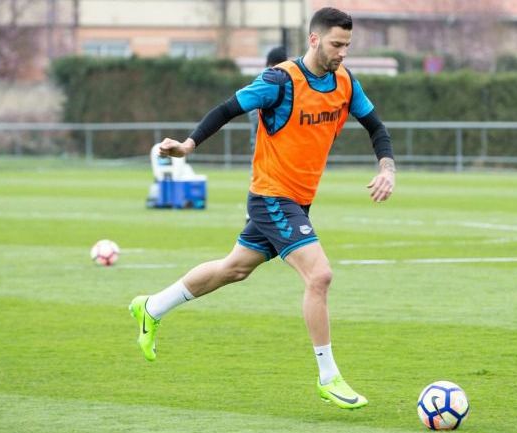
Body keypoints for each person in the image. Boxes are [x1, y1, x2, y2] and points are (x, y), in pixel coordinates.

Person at [129, 6, 395, 410]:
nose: (343, 52)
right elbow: (226, 109)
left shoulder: (345, 82)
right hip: (272, 196)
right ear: (314, 39)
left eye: (347, 45)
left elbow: (376, 127)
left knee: (233, 268)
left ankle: (151, 307)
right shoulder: (280, 80)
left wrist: (387, 167)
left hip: (298, 201)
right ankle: (329, 377)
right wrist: (187, 145)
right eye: (337, 44)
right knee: (319, 276)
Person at [248, 46, 289, 154]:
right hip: (262, 148)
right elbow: (253, 115)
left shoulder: (291, 84)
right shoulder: (262, 83)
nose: (276, 70)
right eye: (273, 65)